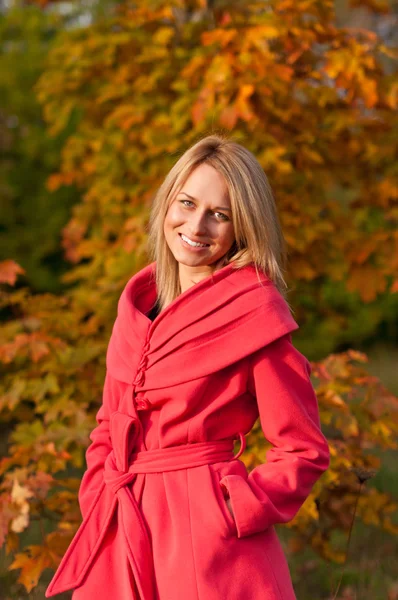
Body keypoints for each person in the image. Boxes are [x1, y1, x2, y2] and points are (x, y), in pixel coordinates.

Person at [46, 133, 330, 600]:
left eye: (219, 215)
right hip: (122, 521)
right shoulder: (137, 309)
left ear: (242, 228)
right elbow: (108, 424)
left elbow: (303, 447)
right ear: (167, 204)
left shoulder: (255, 314)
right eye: (187, 203)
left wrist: (237, 506)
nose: (197, 225)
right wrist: (97, 490)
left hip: (207, 538)